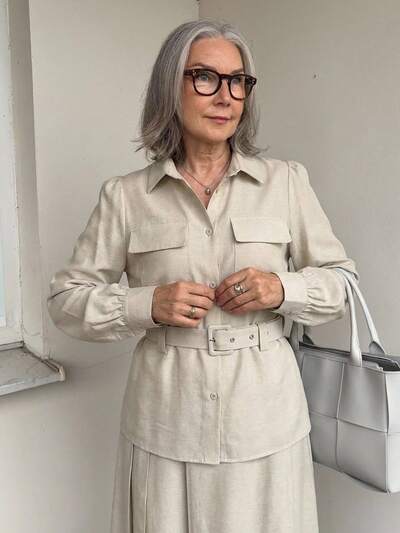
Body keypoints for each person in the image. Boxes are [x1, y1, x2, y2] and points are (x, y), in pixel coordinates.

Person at [47, 19, 359, 533]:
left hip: (267, 423)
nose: (226, 97)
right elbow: (65, 301)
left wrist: (281, 289)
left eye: (238, 81)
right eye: (206, 77)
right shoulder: (125, 197)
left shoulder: (285, 183)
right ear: (171, 87)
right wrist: (145, 304)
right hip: (166, 425)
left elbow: (342, 285)